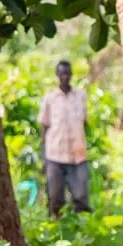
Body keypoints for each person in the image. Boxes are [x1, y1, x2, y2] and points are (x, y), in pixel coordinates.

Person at [37, 60, 91, 217]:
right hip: (55, 154)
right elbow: (44, 126)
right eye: (62, 74)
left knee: (81, 195)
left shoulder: (80, 96)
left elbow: (84, 123)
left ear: (72, 75)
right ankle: (57, 226)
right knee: (55, 197)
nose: (65, 77)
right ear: (57, 75)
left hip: (77, 154)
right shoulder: (50, 98)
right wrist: (44, 156)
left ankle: (81, 226)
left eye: (67, 73)